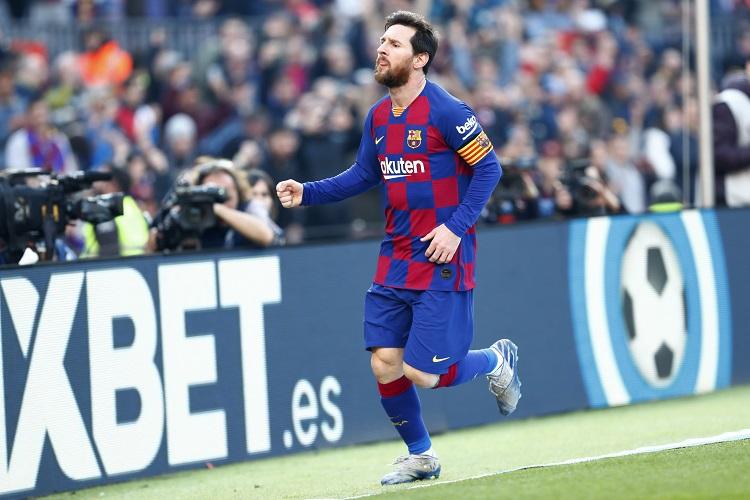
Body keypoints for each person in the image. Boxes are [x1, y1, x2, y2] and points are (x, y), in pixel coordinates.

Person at [276, 11, 521, 486]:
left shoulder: (448, 111)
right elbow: (363, 175)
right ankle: (421, 455)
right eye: (382, 41)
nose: (382, 49)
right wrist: (307, 192)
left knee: (422, 373)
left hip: (442, 255)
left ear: (420, 58)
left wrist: (455, 229)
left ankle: (495, 361)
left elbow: (490, 169)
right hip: (396, 255)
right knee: (384, 363)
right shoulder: (378, 117)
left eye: (394, 43)